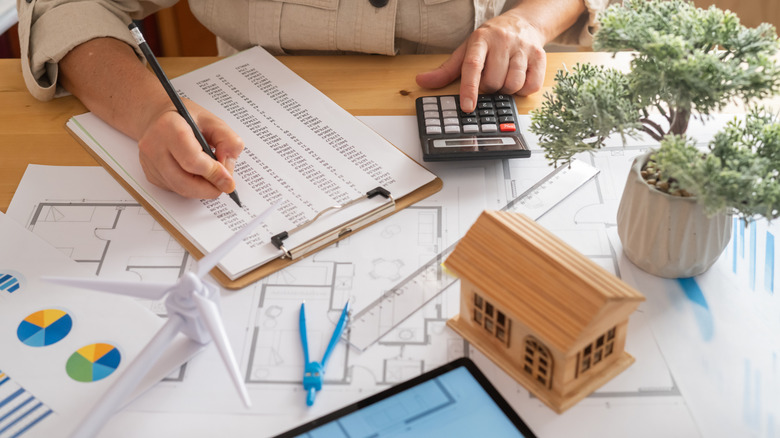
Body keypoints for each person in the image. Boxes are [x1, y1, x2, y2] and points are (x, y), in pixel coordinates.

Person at [18, 0, 611, 200]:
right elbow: (67, 6)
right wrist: (151, 109)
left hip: (501, 113)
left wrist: (531, 21)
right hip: (253, 134)